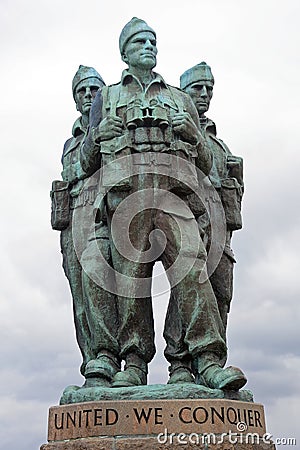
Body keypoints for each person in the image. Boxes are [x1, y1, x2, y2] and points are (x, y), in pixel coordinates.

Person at [80, 18, 246, 391]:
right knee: (131, 284)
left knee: (193, 272)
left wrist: (191, 134)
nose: (148, 46)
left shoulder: (178, 98)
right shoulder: (106, 98)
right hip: (126, 203)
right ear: (124, 52)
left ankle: (207, 359)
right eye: (139, 41)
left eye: (153, 41)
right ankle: (134, 362)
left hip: (173, 199)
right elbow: (85, 164)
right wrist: (96, 140)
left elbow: (205, 160)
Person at [51, 65, 119, 387]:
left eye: (95, 90)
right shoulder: (71, 142)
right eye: (83, 91)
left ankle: (114, 362)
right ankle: (92, 366)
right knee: (81, 303)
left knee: (108, 294)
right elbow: (72, 170)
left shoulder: (114, 129)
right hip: (73, 225)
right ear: (76, 99)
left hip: (105, 220)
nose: (90, 96)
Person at [180, 62, 244, 331]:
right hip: (187, 228)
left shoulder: (220, 145)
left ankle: (214, 361)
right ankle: (181, 363)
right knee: (186, 295)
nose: (205, 93)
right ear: (183, 93)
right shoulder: (176, 135)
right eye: (198, 88)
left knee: (221, 295)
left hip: (220, 234)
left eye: (209, 88)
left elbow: (235, 197)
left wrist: (236, 179)